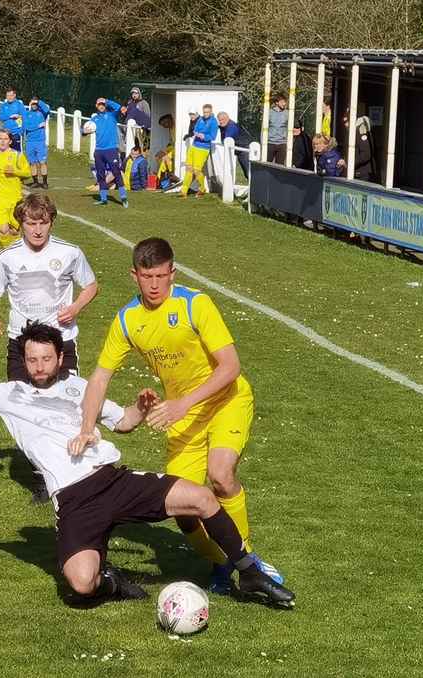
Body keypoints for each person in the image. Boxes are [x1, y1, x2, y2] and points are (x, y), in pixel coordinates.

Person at [0, 295, 295, 607]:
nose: (38, 367)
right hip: (74, 502)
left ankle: (248, 573)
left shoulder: (80, 387)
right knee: (81, 584)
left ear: (60, 357)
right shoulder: (9, 396)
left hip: (113, 480)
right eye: (32, 360)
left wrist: (141, 405)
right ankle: (112, 582)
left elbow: (124, 423)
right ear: (24, 360)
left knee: (201, 497)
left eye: (46, 358)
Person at [69, 237, 284, 595]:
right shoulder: (127, 320)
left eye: (161, 276)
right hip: (181, 416)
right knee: (183, 508)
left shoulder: (195, 304)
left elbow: (231, 367)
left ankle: (248, 562)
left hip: (225, 400)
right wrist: (88, 428)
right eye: (146, 276)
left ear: (173, 273)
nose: (154, 285)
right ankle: (220, 562)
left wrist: (184, 403)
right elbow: (100, 377)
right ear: (134, 275)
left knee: (220, 475)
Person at [0, 193, 98, 383]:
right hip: (21, 342)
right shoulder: (7, 257)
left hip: (61, 340)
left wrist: (76, 307)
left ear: (52, 222)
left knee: (65, 407)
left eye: (44, 223)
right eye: (31, 224)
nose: (38, 230)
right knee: (21, 407)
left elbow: (91, 285)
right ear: (21, 224)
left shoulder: (70, 253)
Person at [0, 129, 31, 248]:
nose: (2, 141)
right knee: (4, 230)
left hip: (15, 199)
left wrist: (15, 171)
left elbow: (28, 173)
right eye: (0, 138)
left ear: (10, 141)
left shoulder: (17, 156)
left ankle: (16, 254)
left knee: (14, 231)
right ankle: (7, 255)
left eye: (5, 139)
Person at [85, 97, 129, 208]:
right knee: (100, 175)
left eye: (103, 104)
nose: (101, 106)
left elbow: (119, 108)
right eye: (99, 104)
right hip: (99, 151)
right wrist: (84, 131)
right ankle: (103, 199)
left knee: (116, 172)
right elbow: (85, 130)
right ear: (96, 106)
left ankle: (123, 197)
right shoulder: (94, 120)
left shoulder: (112, 115)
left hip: (111, 150)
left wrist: (107, 100)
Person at [180, 104, 218, 198]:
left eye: (207, 112)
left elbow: (213, 136)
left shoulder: (213, 122)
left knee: (196, 170)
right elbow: (195, 129)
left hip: (203, 148)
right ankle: (183, 191)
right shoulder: (200, 119)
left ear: (211, 111)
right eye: (204, 112)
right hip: (194, 146)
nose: (205, 114)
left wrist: (204, 136)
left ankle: (202, 188)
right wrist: (195, 133)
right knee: (189, 168)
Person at [23, 97, 51, 189]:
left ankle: (45, 182)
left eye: (36, 104)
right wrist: (38, 126)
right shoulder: (26, 114)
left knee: (42, 162)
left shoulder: (42, 113)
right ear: (30, 104)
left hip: (40, 142)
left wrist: (39, 101)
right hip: (30, 142)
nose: (34, 105)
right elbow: (26, 127)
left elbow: (47, 109)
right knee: (32, 163)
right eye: (33, 103)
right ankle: (35, 181)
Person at [217, 111, 252, 179]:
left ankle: (254, 188)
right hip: (240, 151)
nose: (221, 122)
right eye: (219, 120)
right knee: (246, 172)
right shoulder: (224, 126)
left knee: (248, 172)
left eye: (222, 119)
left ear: (227, 118)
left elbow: (227, 140)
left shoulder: (232, 126)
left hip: (245, 150)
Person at [0, 87, 26, 151]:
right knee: (5, 153)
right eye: (7, 95)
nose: (9, 97)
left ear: (14, 95)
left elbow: (25, 118)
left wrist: (21, 132)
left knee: (16, 154)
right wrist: (10, 116)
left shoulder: (19, 105)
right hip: (5, 134)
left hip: (16, 134)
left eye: (11, 95)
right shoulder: (4, 105)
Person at [267, 94, 288, 164]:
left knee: (280, 166)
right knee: (267, 164)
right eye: (282, 102)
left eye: (285, 102)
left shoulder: (287, 113)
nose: (284, 104)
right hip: (270, 143)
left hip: (282, 143)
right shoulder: (269, 113)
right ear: (276, 102)